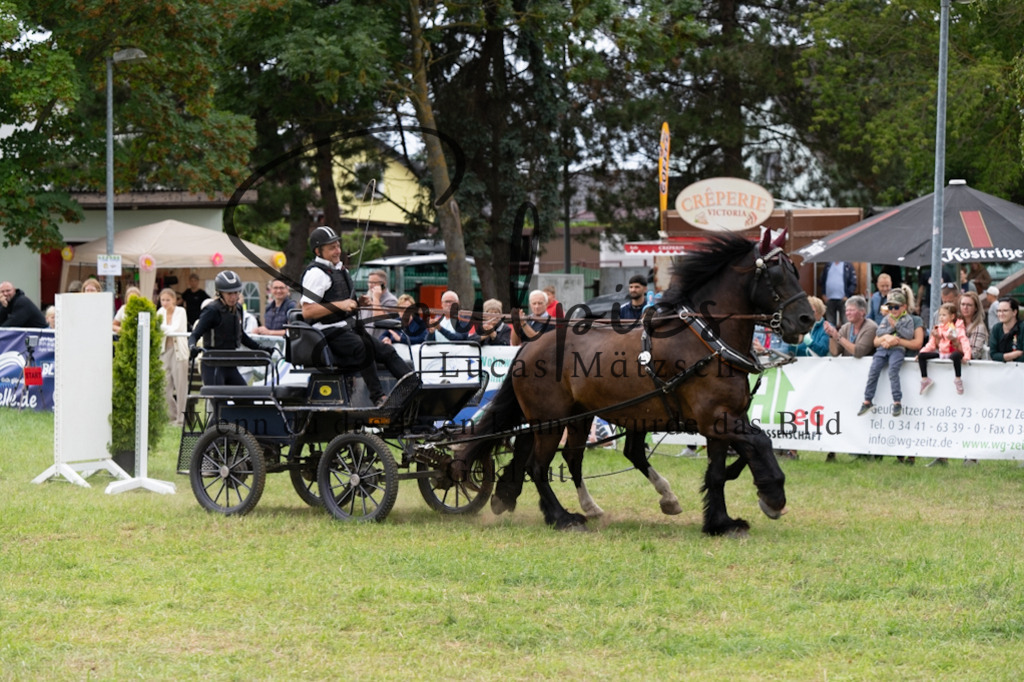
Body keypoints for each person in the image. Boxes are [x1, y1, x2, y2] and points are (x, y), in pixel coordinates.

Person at [300, 226, 414, 406]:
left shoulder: (340, 270)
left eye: (338, 246)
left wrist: (359, 303)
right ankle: (378, 397)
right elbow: (307, 311)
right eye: (332, 248)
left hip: (347, 327)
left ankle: (415, 388)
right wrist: (341, 304)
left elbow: (343, 303)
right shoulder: (316, 274)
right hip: (327, 331)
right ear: (318, 251)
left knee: (388, 351)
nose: (337, 251)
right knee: (364, 348)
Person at [188, 270, 271, 386]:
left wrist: (261, 348)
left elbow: (241, 336)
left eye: (236, 293)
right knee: (219, 402)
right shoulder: (211, 311)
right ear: (220, 293)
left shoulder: (238, 308)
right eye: (229, 294)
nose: (233, 297)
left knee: (247, 400)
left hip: (230, 364)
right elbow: (195, 335)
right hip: (212, 365)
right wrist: (192, 346)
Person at [858, 289, 915, 418]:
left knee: (893, 372)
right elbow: (879, 332)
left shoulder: (908, 319)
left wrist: (896, 327)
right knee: (873, 371)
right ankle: (867, 400)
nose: (893, 310)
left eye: (896, 307)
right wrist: (890, 332)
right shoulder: (886, 318)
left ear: (904, 307)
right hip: (883, 349)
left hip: (898, 349)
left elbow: (909, 335)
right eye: (890, 307)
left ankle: (897, 402)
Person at [919, 302, 970, 396]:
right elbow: (931, 344)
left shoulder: (957, 328)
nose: (941, 318)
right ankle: (925, 379)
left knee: (956, 355)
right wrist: (922, 351)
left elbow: (964, 341)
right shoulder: (938, 328)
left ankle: (958, 379)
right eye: (940, 315)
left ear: (952, 316)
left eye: (944, 315)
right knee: (921, 356)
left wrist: (967, 355)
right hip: (942, 353)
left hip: (952, 352)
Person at [157, 287, 189, 425]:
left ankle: (181, 419)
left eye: (167, 300)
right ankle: (171, 415)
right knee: (164, 386)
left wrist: (163, 328)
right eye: (162, 300)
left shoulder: (181, 311)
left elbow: (176, 329)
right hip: (164, 351)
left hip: (179, 352)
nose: (165, 303)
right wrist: (164, 329)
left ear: (174, 300)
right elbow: (158, 329)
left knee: (181, 385)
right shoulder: (160, 312)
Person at [819, 261, 856, 326]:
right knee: (830, 324)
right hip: (829, 300)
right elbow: (822, 280)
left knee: (846, 323)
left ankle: (846, 336)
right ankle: (832, 336)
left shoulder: (848, 266)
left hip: (843, 300)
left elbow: (853, 282)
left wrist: (847, 295)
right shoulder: (828, 265)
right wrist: (823, 293)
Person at [989, 297, 1024, 363]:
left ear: (1014, 312)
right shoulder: (996, 328)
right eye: (999, 311)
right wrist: (1016, 354)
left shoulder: (1022, 328)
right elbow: (993, 354)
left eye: (1005, 311)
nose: (1001, 314)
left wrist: (1002, 357)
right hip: (1001, 371)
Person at [958, 291, 989, 360]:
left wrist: (956, 344)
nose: (965, 307)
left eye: (969, 305)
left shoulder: (979, 327)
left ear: (976, 308)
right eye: (963, 304)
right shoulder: (955, 323)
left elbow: (974, 354)